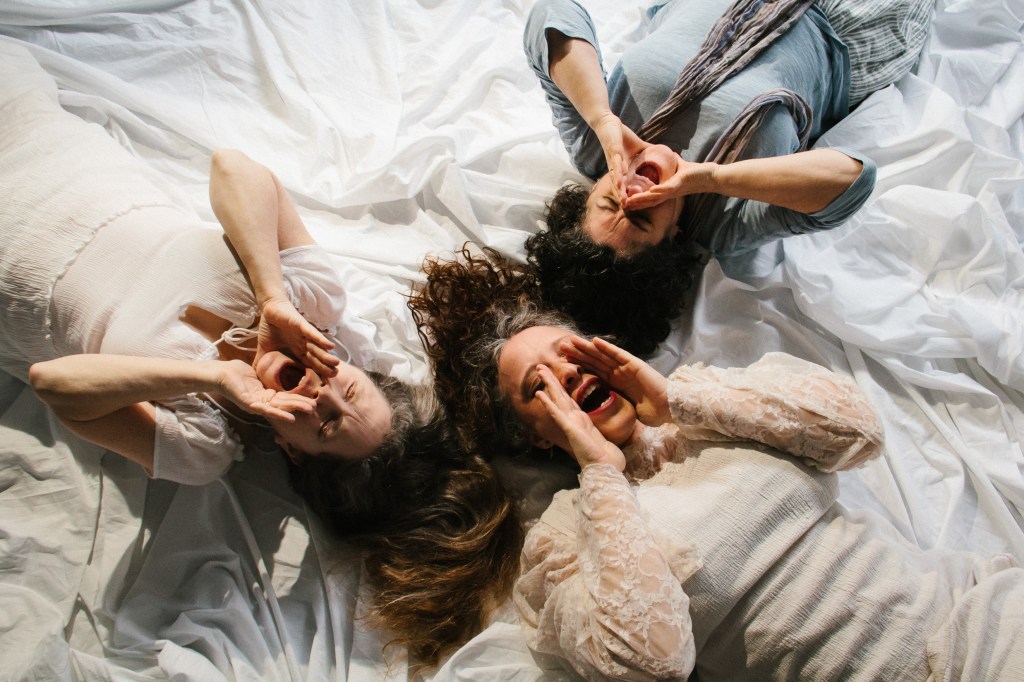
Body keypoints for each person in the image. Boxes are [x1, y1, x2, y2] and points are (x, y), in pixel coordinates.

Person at [0, 42, 522, 668]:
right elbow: (233, 168)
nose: (319, 393)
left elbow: (54, 384)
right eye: (348, 391)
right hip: (38, 134)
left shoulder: (200, 445)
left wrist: (213, 377)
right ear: (355, 367)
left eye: (325, 422)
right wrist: (272, 297)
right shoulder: (311, 301)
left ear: (295, 450)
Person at [410, 248, 1024, 680]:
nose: (565, 373)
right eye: (537, 387)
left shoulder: (706, 404)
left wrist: (674, 398)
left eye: (567, 352)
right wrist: (601, 472)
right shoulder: (562, 540)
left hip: (984, 618)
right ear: (535, 437)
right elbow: (650, 662)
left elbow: (858, 433)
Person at [523, 0, 933, 355]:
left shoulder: (595, 145)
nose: (632, 192)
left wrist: (601, 116)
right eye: (641, 217)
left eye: (610, 202)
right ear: (673, 241)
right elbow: (853, 179)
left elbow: (551, 13)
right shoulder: (723, 223)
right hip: (847, 28)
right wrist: (713, 177)